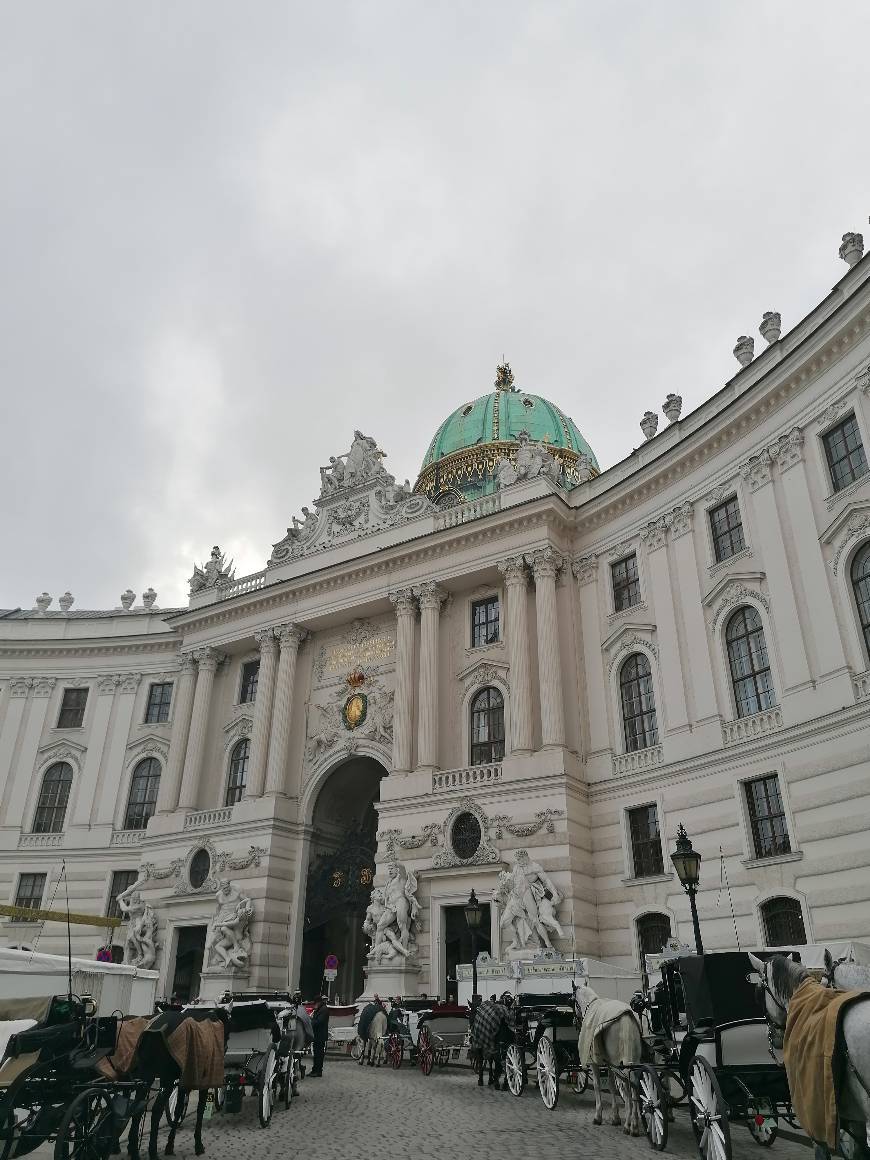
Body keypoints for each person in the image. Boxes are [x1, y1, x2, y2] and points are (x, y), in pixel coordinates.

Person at [310, 995, 330, 1077]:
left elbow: (319, 1022)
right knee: (316, 1054)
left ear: (318, 1002)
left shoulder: (324, 1010)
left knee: (319, 1054)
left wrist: (311, 1021)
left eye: (315, 1003)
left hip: (320, 1035)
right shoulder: (320, 1009)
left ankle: (318, 1071)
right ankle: (314, 1070)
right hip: (317, 1035)